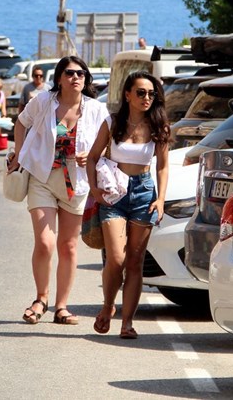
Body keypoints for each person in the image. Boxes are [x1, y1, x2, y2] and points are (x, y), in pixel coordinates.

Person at [6, 56, 108, 326]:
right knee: (45, 242)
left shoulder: (97, 110)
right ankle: (41, 298)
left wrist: (93, 155)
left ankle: (62, 307)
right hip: (43, 177)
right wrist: (18, 153)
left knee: (68, 246)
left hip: (77, 184)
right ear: (60, 78)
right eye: (69, 73)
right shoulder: (43, 102)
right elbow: (20, 122)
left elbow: (108, 143)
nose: (75, 78)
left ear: (86, 80)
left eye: (80, 74)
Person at [86, 71, 169, 339]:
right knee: (117, 257)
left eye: (151, 94)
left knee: (135, 261)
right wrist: (95, 190)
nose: (147, 98)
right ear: (128, 95)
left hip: (144, 192)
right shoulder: (112, 123)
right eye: (141, 92)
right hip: (114, 192)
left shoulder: (159, 126)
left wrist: (160, 199)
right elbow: (91, 158)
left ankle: (127, 322)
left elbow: (164, 167)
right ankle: (108, 305)